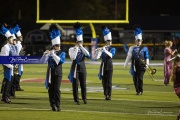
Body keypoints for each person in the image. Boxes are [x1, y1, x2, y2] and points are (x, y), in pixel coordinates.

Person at [43, 24, 66, 111]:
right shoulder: (50, 52)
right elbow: (43, 61)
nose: (58, 47)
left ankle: (58, 105)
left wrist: (52, 54)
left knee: (57, 90)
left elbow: (60, 61)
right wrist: (45, 55)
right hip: (50, 73)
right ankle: (52, 104)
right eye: (56, 45)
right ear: (53, 46)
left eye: (59, 45)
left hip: (58, 73)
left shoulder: (62, 53)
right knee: (51, 90)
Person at [68, 22, 90, 105]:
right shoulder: (71, 49)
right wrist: (77, 47)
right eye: (79, 41)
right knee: (75, 84)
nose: (81, 42)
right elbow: (73, 57)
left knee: (83, 84)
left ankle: (84, 98)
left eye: (82, 41)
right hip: (75, 68)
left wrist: (81, 47)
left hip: (82, 67)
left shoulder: (84, 48)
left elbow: (88, 55)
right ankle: (76, 99)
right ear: (76, 42)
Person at [124, 25, 149, 95]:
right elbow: (128, 56)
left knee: (140, 78)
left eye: (140, 40)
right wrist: (125, 64)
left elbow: (147, 57)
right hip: (134, 66)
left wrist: (147, 64)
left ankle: (140, 91)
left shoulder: (144, 48)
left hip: (142, 66)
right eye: (138, 40)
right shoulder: (132, 48)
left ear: (142, 41)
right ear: (135, 40)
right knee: (135, 79)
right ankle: (137, 90)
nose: (139, 41)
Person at [94, 26, 116, 100]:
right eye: (108, 41)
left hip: (109, 66)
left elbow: (111, 55)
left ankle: (108, 95)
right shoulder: (103, 48)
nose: (109, 42)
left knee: (109, 81)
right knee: (104, 81)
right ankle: (105, 94)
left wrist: (104, 50)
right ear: (106, 41)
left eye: (110, 40)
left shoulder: (112, 48)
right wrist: (97, 52)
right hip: (103, 66)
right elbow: (97, 58)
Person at [0, 25, 15, 103]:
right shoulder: (5, 47)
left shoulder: (10, 47)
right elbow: (3, 59)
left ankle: (7, 95)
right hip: (8, 67)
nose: (13, 39)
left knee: (9, 81)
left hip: (11, 67)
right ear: (8, 39)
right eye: (12, 38)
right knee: (7, 81)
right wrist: (10, 65)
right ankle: (5, 97)